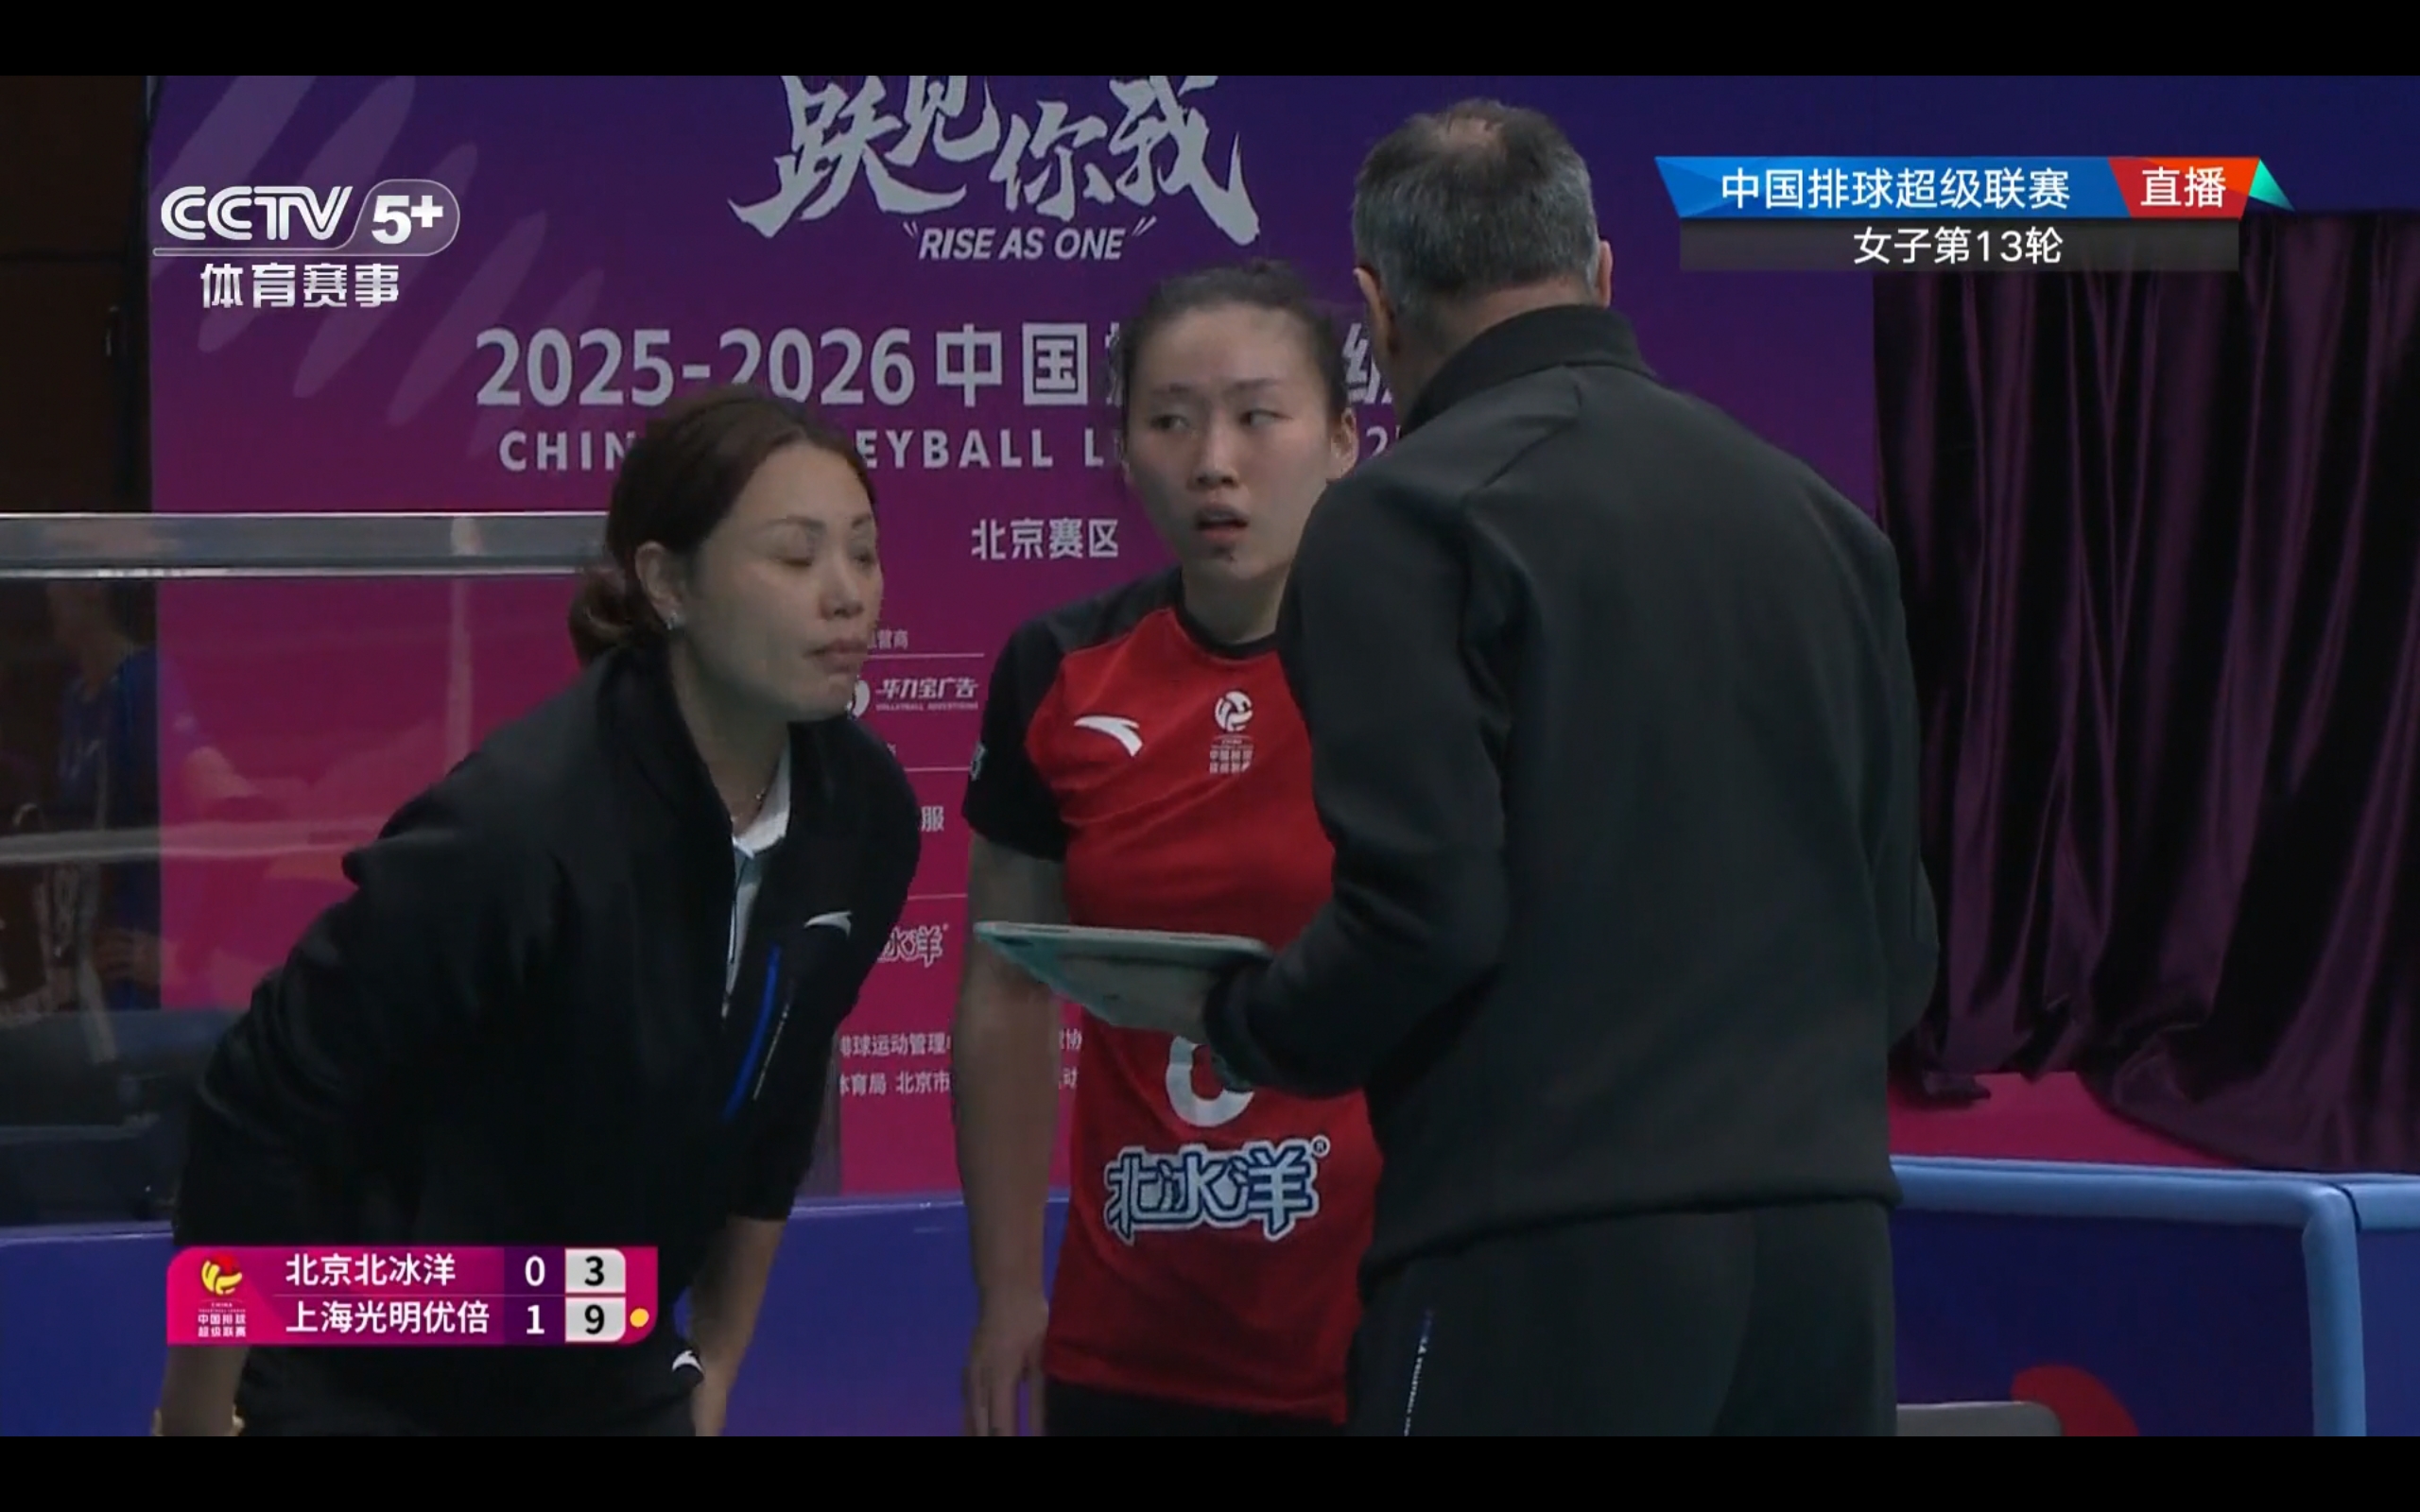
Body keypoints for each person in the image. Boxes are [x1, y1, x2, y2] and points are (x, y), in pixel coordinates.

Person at [1147, 102, 1937, 1435]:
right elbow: (1900, 951)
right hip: (1828, 1263)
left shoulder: (1403, 517)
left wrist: (1248, 1021)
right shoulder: (1824, 523)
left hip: (1540, 1255)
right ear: (1601, 269)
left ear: (1376, 309)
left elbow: (1427, 912)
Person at [153, 386, 921, 1436]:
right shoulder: (519, 825)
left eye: (864, 554)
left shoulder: (862, 814)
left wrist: (713, 1373)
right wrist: (196, 1411)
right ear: (668, 583)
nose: (846, 595)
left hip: (611, 1341)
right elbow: (261, 1102)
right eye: (796, 557)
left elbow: (777, 1107)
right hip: (376, 1352)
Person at [952, 260, 1375, 1436]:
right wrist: (1006, 1289)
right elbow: (1003, 984)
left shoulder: (1425, 671)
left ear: (1343, 440)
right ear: (1124, 448)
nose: (1213, 463)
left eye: (1257, 416)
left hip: (1380, 1321)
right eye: (1171, 421)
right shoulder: (1060, 669)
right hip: (1131, 1330)